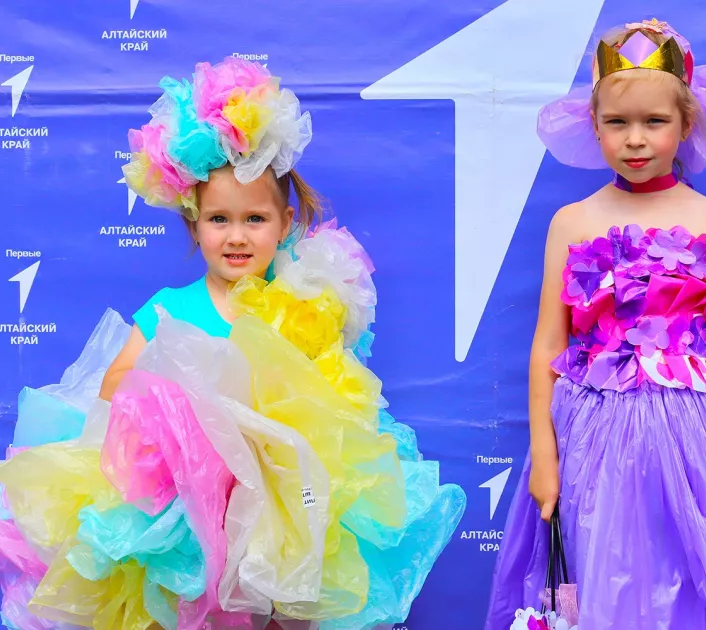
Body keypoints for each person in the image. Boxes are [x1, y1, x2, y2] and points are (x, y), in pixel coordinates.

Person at [0, 56, 465, 630]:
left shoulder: (301, 309)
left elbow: (336, 399)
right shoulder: (169, 309)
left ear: (285, 222)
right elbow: (115, 385)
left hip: (281, 505)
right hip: (185, 512)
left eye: (255, 220)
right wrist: (185, 407)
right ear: (194, 223)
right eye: (219, 219)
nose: (237, 236)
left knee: (277, 609)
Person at [484, 19, 706, 629]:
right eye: (617, 122)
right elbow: (548, 344)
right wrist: (544, 453)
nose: (635, 139)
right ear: (594, 126)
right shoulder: (571, 222)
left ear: (686, 124)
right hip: (594, 438)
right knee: (602, 572)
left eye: (654, 121)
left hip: (701, 439)